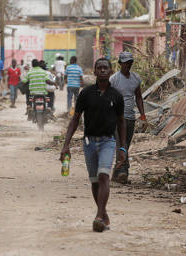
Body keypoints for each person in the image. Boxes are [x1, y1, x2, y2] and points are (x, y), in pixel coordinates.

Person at [60, 58, 126, 233]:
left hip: (108, 142)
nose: (103, 70)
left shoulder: (116, 96)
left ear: (111, 72)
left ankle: (98, 216)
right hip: (89, 142)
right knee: (95, 181)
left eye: (106, 68)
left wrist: (122, 148)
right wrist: (65, 145)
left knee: (104, 176)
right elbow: (75, 120)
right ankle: (104, 214)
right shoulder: (86, 94)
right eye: (100, 68)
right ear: (95, 71)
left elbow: (121, 123)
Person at [108, 51, 146, 183]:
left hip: (130, 117)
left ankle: (116, 173)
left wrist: (142, 115)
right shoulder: (114, 79)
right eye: (125, 63)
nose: (128, 65)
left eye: (130, 63)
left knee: (125, 145)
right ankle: (124, 171)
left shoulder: (135, 79)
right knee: (121, 144)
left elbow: (139, 98)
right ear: (120, 64)